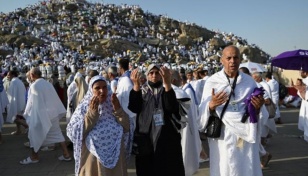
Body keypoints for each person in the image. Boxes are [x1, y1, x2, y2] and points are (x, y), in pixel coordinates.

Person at [199, 45, 264, 175]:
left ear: (240, 60)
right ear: (222, 60)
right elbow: (203, 108)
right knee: (224, 166)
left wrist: (257, 107)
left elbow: (257, 111)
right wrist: (211, 105)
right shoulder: (213, 81)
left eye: (235, 58)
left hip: (243, 133)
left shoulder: (249, 82)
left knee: (245, 166)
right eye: (228, 58)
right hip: (222, 133)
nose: (232, 61)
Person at [67, 75, 133, 176]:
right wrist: (91, 114)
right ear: (91, 90)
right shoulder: (84, 107)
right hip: (93, 160)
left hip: (116, 161)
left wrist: (118, 110)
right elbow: (73, 133)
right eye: (97, 88)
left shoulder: (113, 104)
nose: (102, 91)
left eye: (104, 87)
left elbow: (127, 127)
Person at [128, 64, 185, 176]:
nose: (154, 75)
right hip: (146, 140)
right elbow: (134, 107)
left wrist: (167, 83)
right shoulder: (142, 91)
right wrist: (136, 85)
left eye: (157, 73)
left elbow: (171, 108)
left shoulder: (168, 90)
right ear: (147, 75)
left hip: (166, 139)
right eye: (151, 73)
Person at [20, 67, 71, 164]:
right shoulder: (48, 84)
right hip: (52, 115)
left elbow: (31, 102)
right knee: (58, 135)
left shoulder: (34, 86)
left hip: (41, 115)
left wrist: (26, 114)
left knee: (34, 135)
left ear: (32, 75)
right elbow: (53, 99)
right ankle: (66, 154)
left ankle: (34, 157)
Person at [6, 70, 28, 135]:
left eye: (8, 75)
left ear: (13, 75)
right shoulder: (18, 81)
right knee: (17, 117)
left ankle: (26, 126)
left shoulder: (14, 82)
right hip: (20, 102)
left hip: (16, 102)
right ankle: (18, 130)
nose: (7, 76)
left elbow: (12, 94)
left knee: (14, 117)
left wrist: (11, 104)